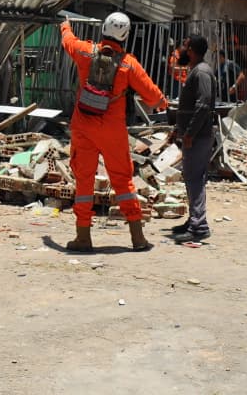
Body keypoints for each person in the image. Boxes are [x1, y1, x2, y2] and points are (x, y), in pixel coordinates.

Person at [60, 13, 169, 252]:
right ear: (126, 35)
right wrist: (163, 102)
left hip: (83, 126)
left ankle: (83, 237)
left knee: (84, 180)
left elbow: (68, 41)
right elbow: (153, 96)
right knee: (122, 179)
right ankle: (137, 238)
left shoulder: (85, 51)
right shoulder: (129, 64)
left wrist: (65, 26)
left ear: (103, 29)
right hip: (113, 130)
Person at [170, 34, 219, 244]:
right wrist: (179, 130)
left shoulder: (202, 72)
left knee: (195, 179)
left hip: (198, 136)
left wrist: (190, 133)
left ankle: (199, 227)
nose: (181, 50)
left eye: (184, 46)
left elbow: (203, 104)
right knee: (191, 177)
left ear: (190, 50)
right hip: (194, 135)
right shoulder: (196, 70)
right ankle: (193, 220)